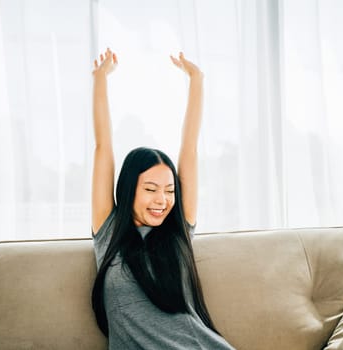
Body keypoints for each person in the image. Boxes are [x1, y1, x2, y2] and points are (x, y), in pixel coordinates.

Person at [90, 48, 235, 349]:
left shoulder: (177, 232)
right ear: (130, 189)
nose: (162, 200)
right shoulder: (109, 233)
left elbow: (190, 148)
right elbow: (103, 146)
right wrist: (100, 79)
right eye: (151, 189)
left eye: (170, 191)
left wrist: (196, 79)